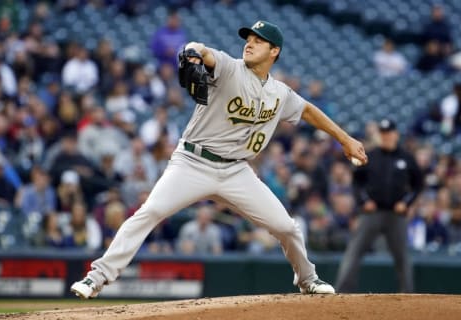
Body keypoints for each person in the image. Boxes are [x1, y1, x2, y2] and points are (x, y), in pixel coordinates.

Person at [71, 20, 367, 298]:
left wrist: (345, 139)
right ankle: (96, 277)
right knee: (149, 212)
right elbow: (202, 50)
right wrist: (191, 52)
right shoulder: (229, 68)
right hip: (192, 162)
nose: (249, 44)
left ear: (274, 51)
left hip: (237, 171)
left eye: (258, 41)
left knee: (287, 227)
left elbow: (308, 111)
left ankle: (307, 279)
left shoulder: (279, 93)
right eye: (248, 39)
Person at [336, 119, 423, 293]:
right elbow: (357, 182)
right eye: (383, 133)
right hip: (372, 212)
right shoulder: (371, 156)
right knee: (354, 252)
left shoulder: (406, 158)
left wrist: (406, 203)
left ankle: (408, 295)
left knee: (402, 257)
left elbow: (418, 184)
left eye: (389, 133)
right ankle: (342, 292)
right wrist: (363, 201)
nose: (386, 136)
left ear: (396, 134)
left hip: (396, 215)